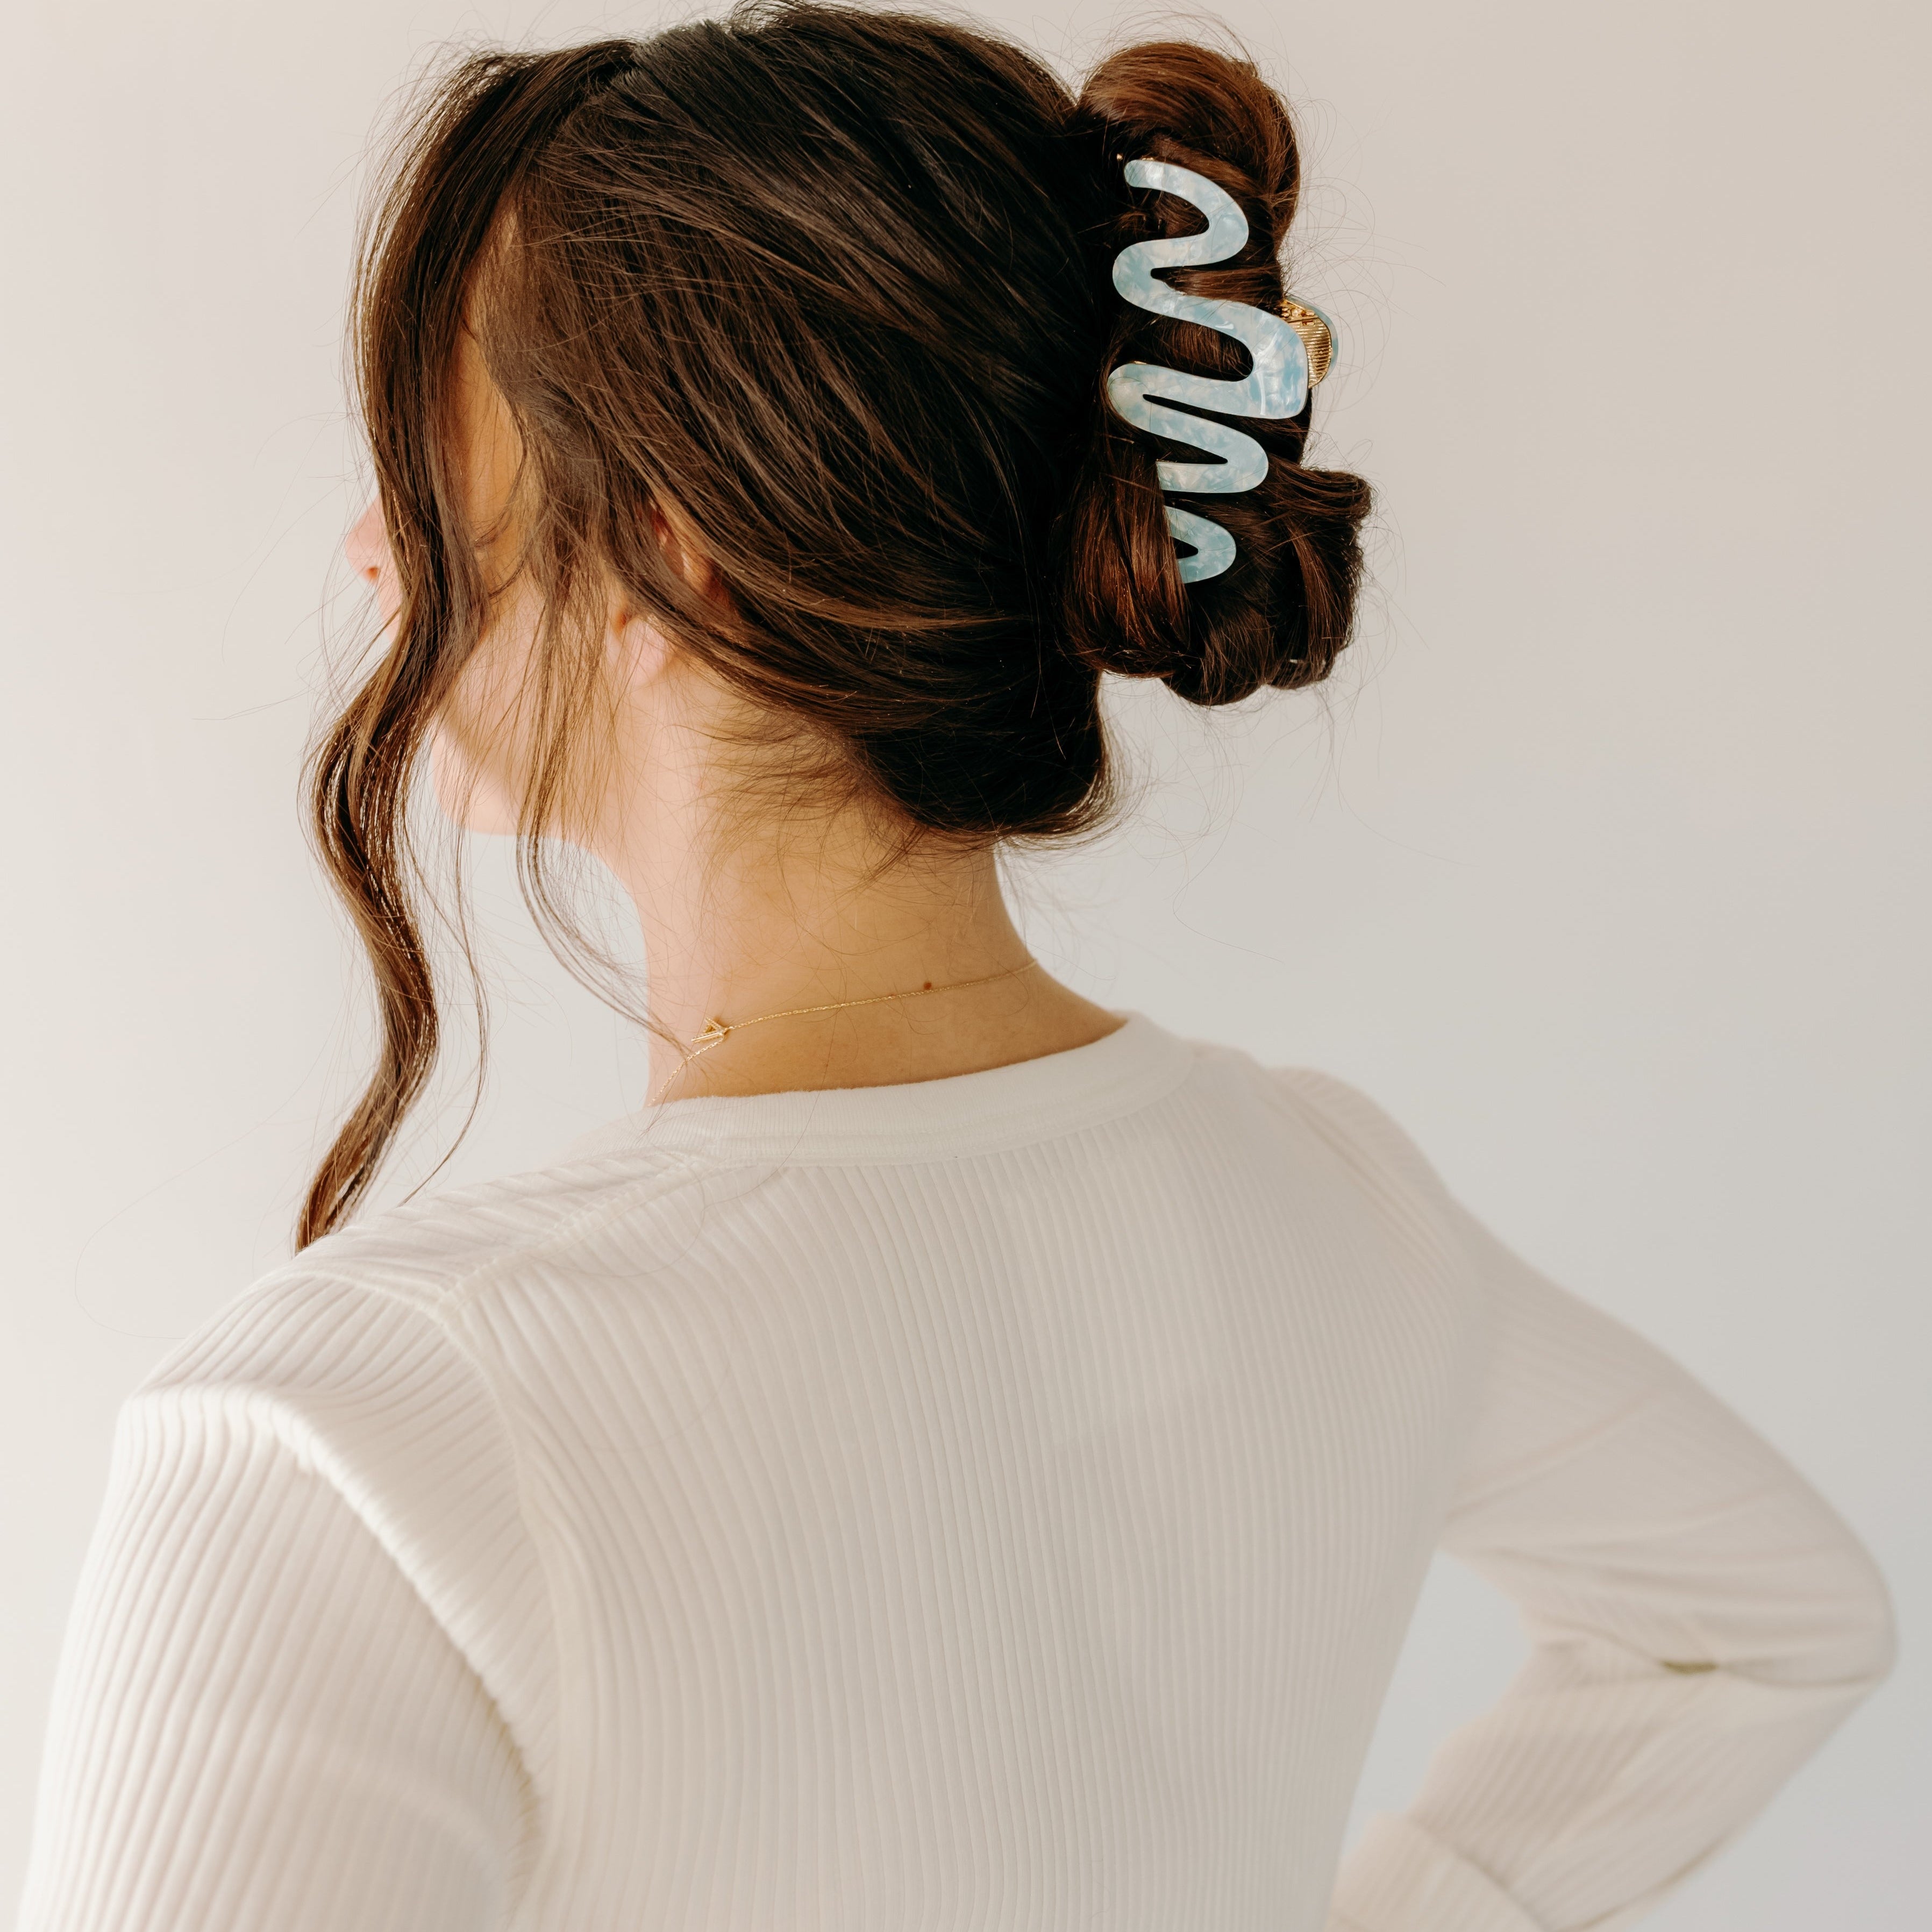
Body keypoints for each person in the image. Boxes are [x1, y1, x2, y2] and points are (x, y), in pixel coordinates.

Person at [16, 4, 1894, 1929]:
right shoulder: (1333, 1202)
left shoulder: (351, 1429)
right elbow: (1757, 1629)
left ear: (693, 571)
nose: (368, 548)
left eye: (428, 461)